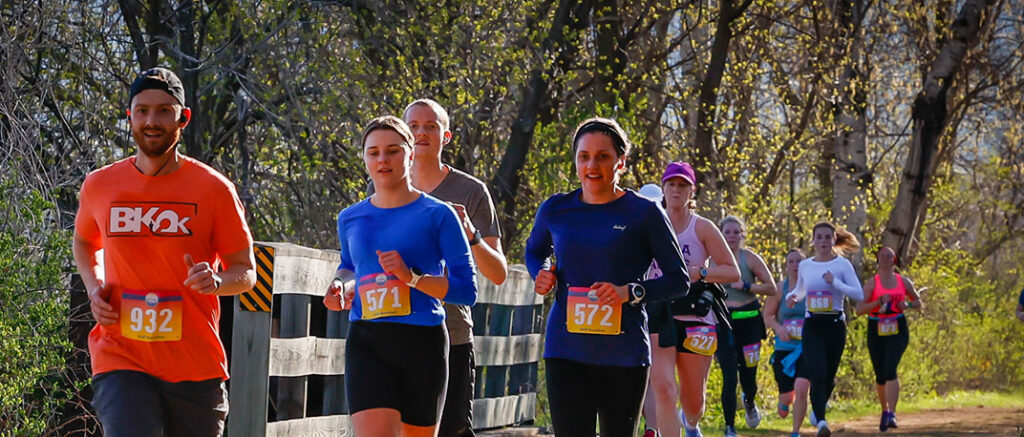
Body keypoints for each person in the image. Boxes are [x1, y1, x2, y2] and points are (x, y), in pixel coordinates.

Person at [73, 67, 256, 437]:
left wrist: (218, 281)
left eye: (163, 111)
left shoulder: (214, 189)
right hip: (120, 356)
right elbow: (83, 241)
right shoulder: (100, 185)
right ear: (130, 118)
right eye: (141, 111)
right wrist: (95, 287)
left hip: (194, 365)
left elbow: (246, 271)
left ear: (183, 118)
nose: (151, 121)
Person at [525, 118, 689, 437]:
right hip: (566, 350)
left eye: (603, 156)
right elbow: (534, 252)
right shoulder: (556, 209)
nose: (592, 165)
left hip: (624, 353)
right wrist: (541, 272)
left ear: (621, 163)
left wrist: (631, 292)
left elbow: (678, 279)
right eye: (584, 156)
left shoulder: (644, 212)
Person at [323, 116, 477, 437]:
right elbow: (351, 265)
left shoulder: (439, 215)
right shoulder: (350, 217)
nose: (382, 160)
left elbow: (466, 290)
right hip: (367, 340)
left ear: (410, 155)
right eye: (373, 152)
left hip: (423, 342)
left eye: (392, 151)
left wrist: (413, 278)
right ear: (364, 158)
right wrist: (341, 285)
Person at [403, 98, 508, 437]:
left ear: (445, 136)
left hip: (451, 332)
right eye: (414, 127)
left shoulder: (471, 192)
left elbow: (498, 273)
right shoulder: (382, 185)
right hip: (392, 329)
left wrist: (471, 236)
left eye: (430, 126)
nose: (421, 133)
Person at [644, 161, 740, 437]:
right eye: (671, 184)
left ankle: (692, 424)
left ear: (692, 192)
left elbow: (731, 271)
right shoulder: (649, 225)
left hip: (695, 316)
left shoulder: (703, 228)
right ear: (663, 188)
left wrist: (703, 272)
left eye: (682, 185)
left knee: (692, 401)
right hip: (659, 314)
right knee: (663, 387)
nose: (676, 190)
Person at [786, 222, 863, 437]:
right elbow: (800, 290)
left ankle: (819, 407)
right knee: (817, 373)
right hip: (812, 325)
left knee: (828, 376)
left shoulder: (842, 265)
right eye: (818, 237)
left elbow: (859, 295)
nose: (822, 241)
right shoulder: (806, 265)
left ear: (833, 240)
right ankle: (821, 422)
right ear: (813, 240)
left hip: (835, 325)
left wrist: (836, 283)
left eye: (827, 237)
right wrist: (791, 297)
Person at [715, 216, 777, 437]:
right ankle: (729, 427)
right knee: (729, 375)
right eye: (727, 232)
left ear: (742, 235)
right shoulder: (712, 259)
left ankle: (749, 400)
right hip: (724, 323)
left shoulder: (749, 258)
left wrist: (747, 286)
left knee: (748, 375)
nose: (731, 236)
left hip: (749, 321)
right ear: (720, 234)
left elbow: (771, 288)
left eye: (735, 232)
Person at [855, 246, 923, 432]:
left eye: (889, 256)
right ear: (877, 260)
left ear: (894, 260)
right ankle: (884, 411)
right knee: (880, 374)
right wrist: (878, 302)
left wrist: (907, 304)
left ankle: (892, 413)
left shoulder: (903, 282)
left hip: (897, 328)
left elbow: (918, 302)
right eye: (882, 256)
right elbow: (859, 310)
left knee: (890, 368)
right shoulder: (872, 284)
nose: (885, 259)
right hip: (876, 327)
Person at [764, 249, 811, 437]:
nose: (795, 265)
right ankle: (784, 400)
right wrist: (780, 329)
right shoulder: (780, 289)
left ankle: (795, 432)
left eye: (799, 261)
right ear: (786, 265)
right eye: (791, 261)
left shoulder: (812, 287)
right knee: (786, 397)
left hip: (807, 346)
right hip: (784, 347)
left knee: (802, 387)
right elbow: (767, 316)